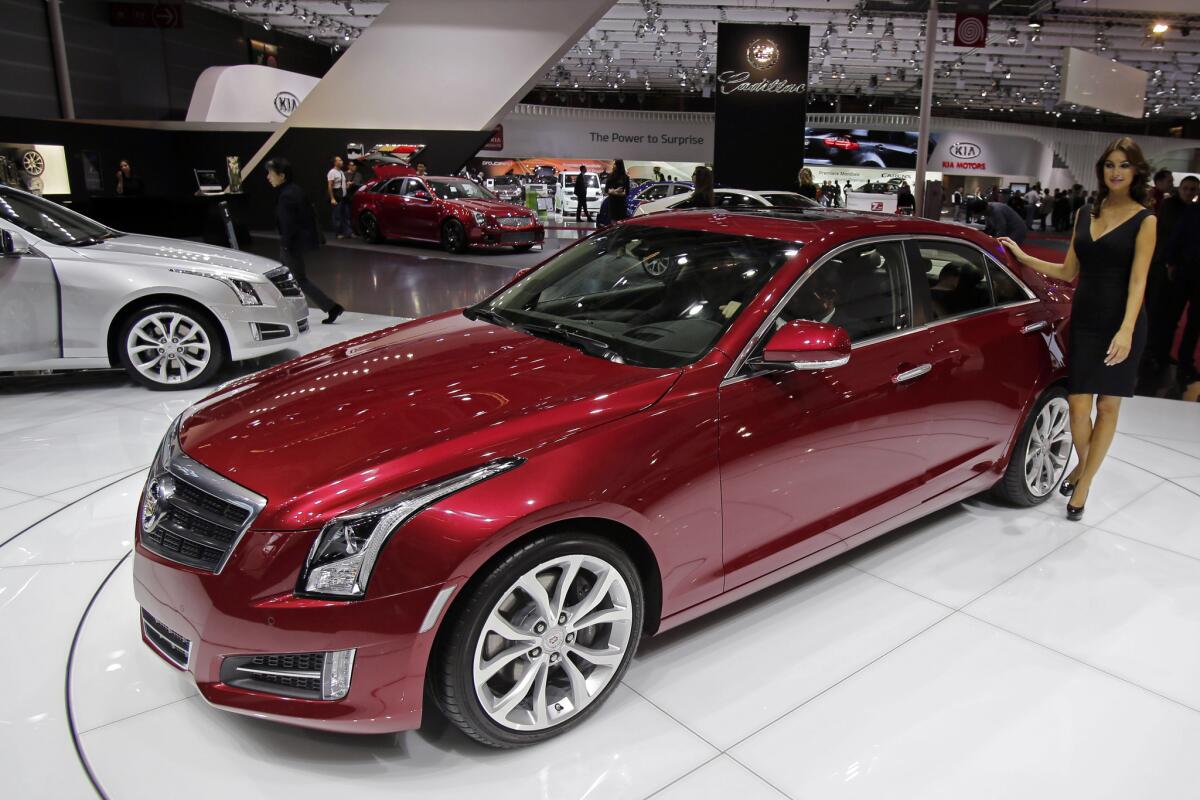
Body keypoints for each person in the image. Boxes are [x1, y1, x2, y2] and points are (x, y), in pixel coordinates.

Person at [999, 136, 1156, 521]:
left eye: (1123, 165)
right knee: (1078, 404)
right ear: (1102, 171)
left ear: (1135, 171)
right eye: (1109, 165)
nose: (1115, 172)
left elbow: (1139, 282)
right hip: (1085, 319)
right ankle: (1085, 468)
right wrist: (1023, 256)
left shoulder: (1145, 220)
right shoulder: (1087, 213)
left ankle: (1082, 483)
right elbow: (1069, 271)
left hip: (1122, 322)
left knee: (1107, 406)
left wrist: (1127, 330)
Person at [267, 157, 343, 325]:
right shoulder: (295, 190)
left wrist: (286, 245)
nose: (268, 177)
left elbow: (288, 224)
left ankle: (331, 307)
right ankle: (289, 312)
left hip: (291, 245)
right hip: (295, 243)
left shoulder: (287, 195)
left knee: (297, 279)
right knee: (286, 280)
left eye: (271, 174)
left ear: (282, 175)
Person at [1145, 174, 1199, 376]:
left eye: (1194, 189)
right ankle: (1152, 353)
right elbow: (1171, 236)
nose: (1190, 192)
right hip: (1168, 268)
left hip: (1180, 270)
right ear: (1180, 188)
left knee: (1183, 319)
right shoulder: (1170, 206)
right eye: (1187, 188)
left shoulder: (1191, 210)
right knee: (1161, 314)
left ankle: (1171, 357)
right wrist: (1171, 263)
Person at [326, 156, 351, 239]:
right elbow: (330, 186)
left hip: (344, 197)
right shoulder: (332, 172)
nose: (342, 161)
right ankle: (338, 233)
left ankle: (347, 232)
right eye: (339, 160)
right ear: (335, 162)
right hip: (337, 197)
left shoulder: (341, 172)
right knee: (337, 216)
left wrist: (347, 185)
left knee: (346, 215)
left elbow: (342, 184)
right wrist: (332, 198)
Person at [603, 158, 631, 224]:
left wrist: (615, 192)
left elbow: (627, 192)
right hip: (613, 203)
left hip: (621, 203)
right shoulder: (610, 176)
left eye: (615, 164)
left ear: (619, 165)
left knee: (621, 222)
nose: (613, 166)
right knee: (613, 221)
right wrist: (615, 191)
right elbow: (606, 190)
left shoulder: (625, 177)